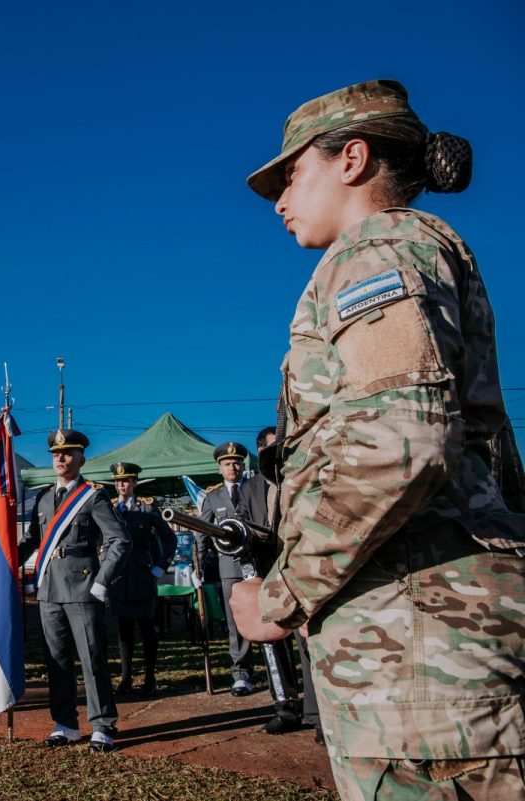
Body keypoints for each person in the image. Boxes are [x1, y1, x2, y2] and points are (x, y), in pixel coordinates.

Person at [231, 79, 525, 798]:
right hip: (423, 657)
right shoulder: (404, 251)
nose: (280, 200)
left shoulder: (378, 248)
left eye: (294, 173)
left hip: (422, 666)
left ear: (352, 159)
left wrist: (280, 598)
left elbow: (401, 445)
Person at [18, 430, 130, 753]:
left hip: (83, 588)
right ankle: (65, 724)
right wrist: (5, 556)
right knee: (56, 661)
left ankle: (103, 725)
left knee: (92, 659)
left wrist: (101, 581)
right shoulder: (42, 498)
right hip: (49, 589)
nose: (61, 459)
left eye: (68, 453)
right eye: (56, 454)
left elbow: (119, 541)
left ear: (81, 458)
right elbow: (31, 541)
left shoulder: (92, 497)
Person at [235, 429, 308, 736]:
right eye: (271, 448)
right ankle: (285, 708)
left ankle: (318, 712)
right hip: (266, 573)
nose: (278, 452)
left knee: (308, 641)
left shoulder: (300, 477)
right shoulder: (250, 486)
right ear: (260, 451)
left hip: (303, 568)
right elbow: (240, 520)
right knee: (273, 645)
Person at [106, 461, 175, 698]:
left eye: (126, 480)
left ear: (135, 483)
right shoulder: (110, 508)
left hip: (142, 573)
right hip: (118, 576)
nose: (121, 485)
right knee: (124, 631)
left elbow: (169, 538)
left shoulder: (147, 508)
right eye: (117, 481)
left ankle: (150, 676)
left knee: (147, 630)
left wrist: (160, 567)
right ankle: (126, 678)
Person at [196, 442, 254, 696]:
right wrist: (198, 564)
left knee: (268, 615)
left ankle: (279, 671)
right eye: (228, 464)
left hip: (258, 564)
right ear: (220, 468)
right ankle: (241, 674)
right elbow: (202, 531)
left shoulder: (254, 490)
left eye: (237, 462)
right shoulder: (213, 497)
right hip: (229, 566)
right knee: (236, 620)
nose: (234, 467)